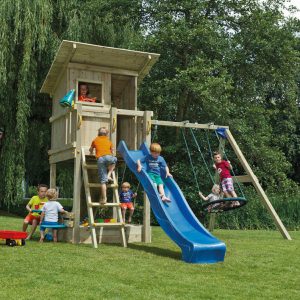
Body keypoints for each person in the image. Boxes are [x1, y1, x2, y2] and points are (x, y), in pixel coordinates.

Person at [89, 127, 117, 204]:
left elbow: (91, 149)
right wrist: (113, 155)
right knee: (114, 160)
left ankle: (104, 199)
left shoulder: (95, 140)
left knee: (103, 181)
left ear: (98, 133)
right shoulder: (109, 141)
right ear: (107, 134)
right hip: (109, 157)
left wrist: (91, 153)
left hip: (100, 159)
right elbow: (113, 151)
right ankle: (109, 174)